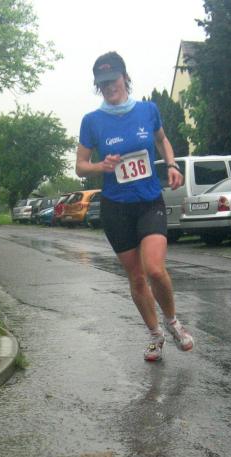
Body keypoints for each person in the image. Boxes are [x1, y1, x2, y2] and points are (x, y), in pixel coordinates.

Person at [75, 51, 194, 362]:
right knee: (137, 277)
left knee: (154, 268)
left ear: (125, 78)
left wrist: (172, 165)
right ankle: (155, 335)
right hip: (116, 208)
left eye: (113, 80)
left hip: (148, 202)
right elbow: (80, 166)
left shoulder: (147, 110)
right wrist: (100, 166)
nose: (109, 87)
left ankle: (173, 322)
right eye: (102, 83)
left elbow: (162, 140)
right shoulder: (92, 121)